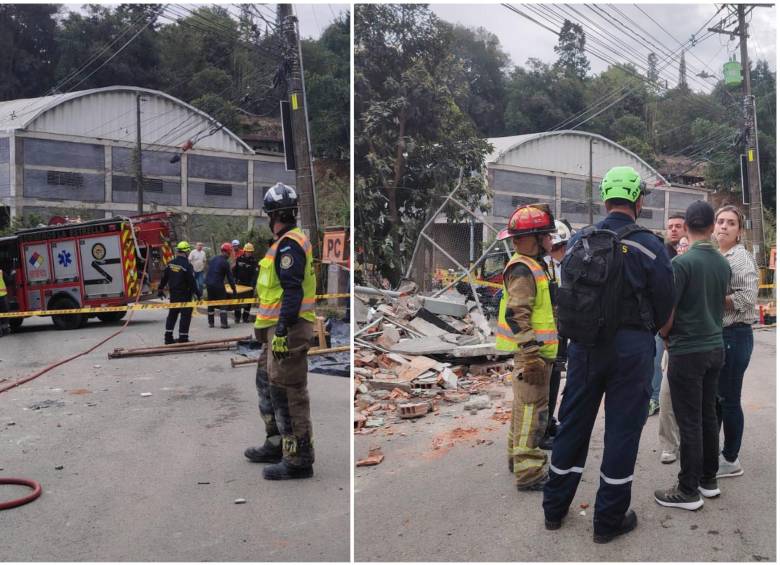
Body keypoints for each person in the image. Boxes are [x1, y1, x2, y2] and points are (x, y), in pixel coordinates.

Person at [543, 166, 674, 543]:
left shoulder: (581, 241)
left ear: (604, 198)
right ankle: (608, 521)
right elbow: (666, 306)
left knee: (573, 426)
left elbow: (569, 293)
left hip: (584, 347)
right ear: (638, 200)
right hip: (631, 351)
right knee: (621, 433)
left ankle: (554, 510)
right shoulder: (651, 246)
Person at [654, 200, 730, 510]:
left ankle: (687, 490)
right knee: (708, 415)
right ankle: (708, 480)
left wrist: (664, 335)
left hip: (687, 350)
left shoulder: (680, 264)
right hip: (715, 347)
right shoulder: (723, 264)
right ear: (713, 227)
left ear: (686, 227)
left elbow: (668, 313)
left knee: (689, 421)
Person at [244, 182, 317, 481]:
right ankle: (276, 443)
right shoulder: (283, 243)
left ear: (271, 214)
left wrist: (284, 330)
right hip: (276, 330)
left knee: (287, 391)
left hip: (289, 327)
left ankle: (298, 459)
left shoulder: (289, 245)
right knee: (267, 383)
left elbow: (291, 290)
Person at [495, 203, 558, 491]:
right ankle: (530, 473)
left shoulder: (533, 265)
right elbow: (517, 314)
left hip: (534, 354)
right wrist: (532, 357)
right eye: (544, 235)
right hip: (532, 356)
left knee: (524, 410)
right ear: (529, 238)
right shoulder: (523, 268)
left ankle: (516, 461)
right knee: (533, 415)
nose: (548, 240)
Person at [714, 205, 758, 479]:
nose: (724, 227)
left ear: (739, 231)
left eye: (731, 223)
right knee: (718, 399)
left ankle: (730, 459)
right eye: (720, 221)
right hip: (722, 335)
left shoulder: (739, 258)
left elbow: (748, 297)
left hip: (735, 334)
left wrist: (713, 298)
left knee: (729, 400)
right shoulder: (720, 255)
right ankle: (715, 452)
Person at [649, 214, 686, 417]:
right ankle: (654, 399)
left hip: (683, 321)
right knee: (656, 360)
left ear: (686, 229)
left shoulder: (688, 252)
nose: (673, 229)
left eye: (678, 226)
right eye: (670, 226)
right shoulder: (660, 252)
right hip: (661, 318)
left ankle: (676, 399)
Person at [540, 219, 572, 450]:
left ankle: (549, 422)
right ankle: (540, 431)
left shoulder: (567, 263)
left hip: (559, 331)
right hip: (543, 335)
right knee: (544, 383)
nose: (561, 252)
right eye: (557, 247)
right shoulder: (539, 266)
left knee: (554, 379)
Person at [158, 241, 201, 344]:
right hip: (185, 295)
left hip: (174, 295)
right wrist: (198, 294)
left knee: (172, 315)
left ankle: (168, 338)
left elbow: (164, 278)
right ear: (186, 252)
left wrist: (160, 289)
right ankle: (183, 338)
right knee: (185, 316)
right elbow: (192, 282)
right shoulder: (187, 265)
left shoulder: (170, 264)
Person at [205, 242, 237, 329]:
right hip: (218, 284)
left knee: (211, 303)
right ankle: (224, 324)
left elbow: (209, 271)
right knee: (223, 302)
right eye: (230, 252)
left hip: (208, 284)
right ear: (228, 252)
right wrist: (234, 290)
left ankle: (211, 323)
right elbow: (230, 278)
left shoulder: (213, 259)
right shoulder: (225, 263)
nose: (230, 254)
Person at [233, 242, 259, 323]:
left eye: (251, 252)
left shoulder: (254, 261)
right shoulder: (239, 259)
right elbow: (235, 271)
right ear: (244, 251)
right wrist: (235, 280)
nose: (249, 253)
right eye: (248, 251)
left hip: (249, 285)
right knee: (238, 301)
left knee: (248, 302)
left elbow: (255, 275)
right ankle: (237, 318)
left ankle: (245, 317)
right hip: (239, 283)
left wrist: (252, 285)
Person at [0, 268, 10, 336]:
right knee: (4, 313)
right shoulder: (1, 272)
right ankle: (5, 330)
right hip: (2, 297)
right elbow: (8, 281)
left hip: (3, 296)